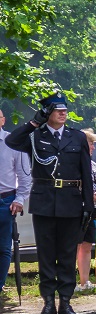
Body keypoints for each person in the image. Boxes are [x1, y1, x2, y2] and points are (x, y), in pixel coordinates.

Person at [5, 93, 95, 314]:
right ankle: (48, 304)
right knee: (46, 255)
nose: (63, 113)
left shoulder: (77, 137)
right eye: (57, 110)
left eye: (65, 110)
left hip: (71, 202)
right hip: (44, 201)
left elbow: (85, 171)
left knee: (66, 254)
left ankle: (65, 302)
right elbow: (12, 141)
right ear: (47, 113)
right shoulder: (35, 136)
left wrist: (88, 204)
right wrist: (34, 122)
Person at [0, 106, 32, 301]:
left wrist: (20, 200)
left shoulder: (12, 143)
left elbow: (25, 176)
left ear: (3, 120)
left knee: (4, 247)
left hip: (6, 200)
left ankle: (0, 285)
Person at [73, 129, 96, 292]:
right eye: (91, 143)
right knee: (74, 245)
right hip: (76, 210)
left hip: (92, 210)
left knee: (87, 245)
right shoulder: (72, 164)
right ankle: (69, 282)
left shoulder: (93, 164)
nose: (93, 147)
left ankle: (84, 282)